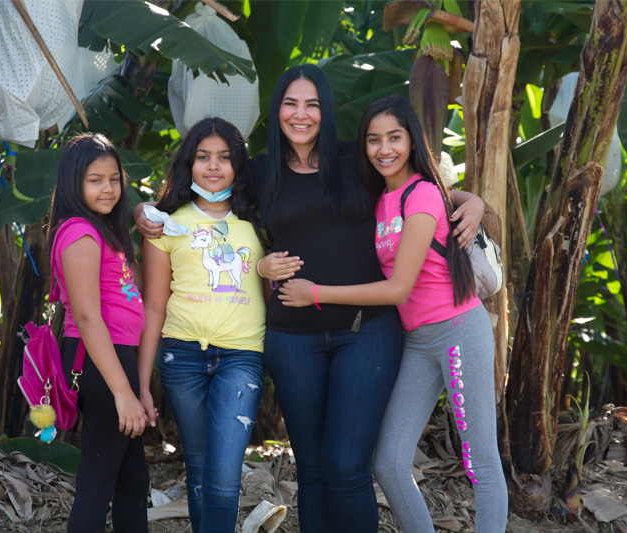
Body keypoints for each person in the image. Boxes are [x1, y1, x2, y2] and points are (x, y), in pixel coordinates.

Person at [136, 66, 482, 532]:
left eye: (312, 104)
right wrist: (144, 211)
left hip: (366, 330)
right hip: (292, 339)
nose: (301, 115)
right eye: (291, 103)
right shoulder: (259, 172)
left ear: (327, 110)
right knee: (313, 467)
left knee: (346, 465)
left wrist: (472, 200)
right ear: (278, 109)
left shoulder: (354, 160)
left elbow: (420, 187)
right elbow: (199, 192)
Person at [277, 95, 508, 533]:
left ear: (413, 141)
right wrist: (469, 197)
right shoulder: (379, 198)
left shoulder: (420, 194)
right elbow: (449, 193)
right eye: (374, 139)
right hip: (415, 341)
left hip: (458, 330)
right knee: (389, 460)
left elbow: (398, 287)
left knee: (479, 458)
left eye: (395, 138)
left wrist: (317, 294)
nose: (385, 149)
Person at [137, 118, 266, 533]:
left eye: (224, 158)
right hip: (182, 356)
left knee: (224, 475)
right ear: (188, 164)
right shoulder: (165, 224)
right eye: (203, 157)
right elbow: (154, 308)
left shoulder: (259, 221)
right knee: (196, 469)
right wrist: (142, 383)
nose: (213, 166)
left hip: (242, 357)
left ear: (238, 165)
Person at [47, 133, 153, 533]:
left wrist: (143, 221)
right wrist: (123, 393)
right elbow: (89, 319)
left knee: (132, 482)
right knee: (97, 485)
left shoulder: (105, 231)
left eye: (114, 179)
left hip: (118, 358)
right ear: (75, 183)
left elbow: (139, 287)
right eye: (95, 180)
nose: (108, 188)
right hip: (100, 359)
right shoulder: (80, 234)